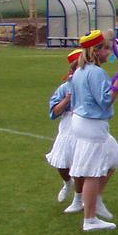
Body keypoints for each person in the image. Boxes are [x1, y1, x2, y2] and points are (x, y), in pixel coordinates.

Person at [66, 29, 118, 232]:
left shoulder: (80, 71)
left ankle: (95, 200)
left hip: (81, 121)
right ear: (96, 50)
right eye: (106, 49)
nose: (109, 53)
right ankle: (90, 219)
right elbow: (106, 100)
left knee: (115, 158)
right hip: (92, 124)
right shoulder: (96, 72)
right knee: (93, 172)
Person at [45, 48, 83, 204]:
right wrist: (66, 100)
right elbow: (54, 112)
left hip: (85, 125)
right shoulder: (64, 88)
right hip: (68, 128)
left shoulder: (91, 84)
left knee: (81, 164)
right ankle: (67, 183)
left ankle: (79, 198)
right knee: (61, 162)